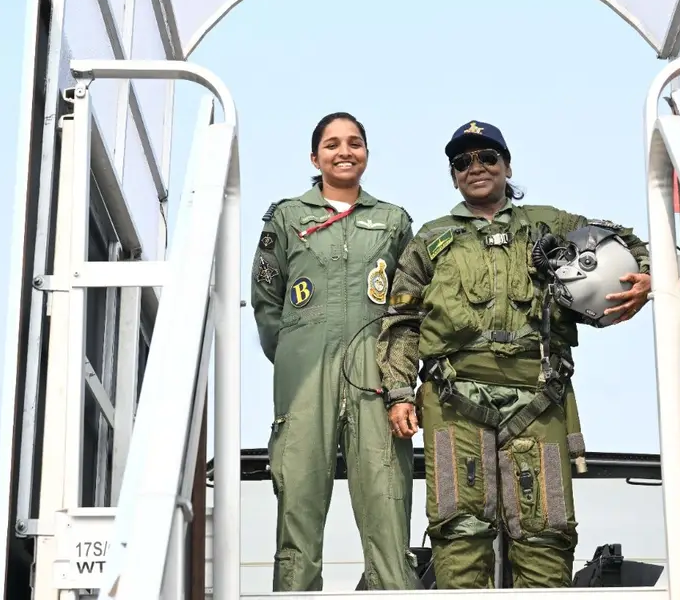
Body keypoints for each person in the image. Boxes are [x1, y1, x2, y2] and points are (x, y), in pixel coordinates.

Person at [374, 120, 653, 588]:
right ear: (453, 176)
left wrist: (645, 273)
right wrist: (400, 393)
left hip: (538, 396)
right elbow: (402, 319)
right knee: (458, 529)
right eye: (463, 162)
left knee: (546, 531)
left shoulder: (549, 225)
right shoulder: (431, 239)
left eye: (488, 157)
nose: (476, 167)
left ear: (507, 165)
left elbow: (621, 238)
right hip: (453, 397)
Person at [250, 111, 420, 592]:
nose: (344, 151)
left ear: (366, 153)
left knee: (388, 505)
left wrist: (398, 377)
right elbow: (266, 300)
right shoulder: (287, 217)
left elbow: (408, 304)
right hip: (305, 380)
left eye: (354, 142)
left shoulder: (393, 221)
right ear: (315, 157)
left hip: (375, 379)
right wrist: (296, 357)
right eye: (332, 144)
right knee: (298, 506)